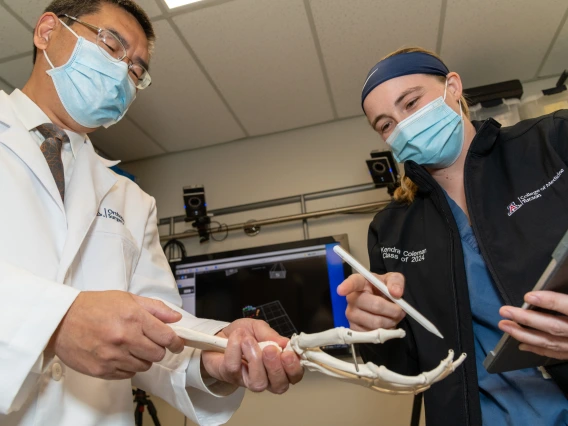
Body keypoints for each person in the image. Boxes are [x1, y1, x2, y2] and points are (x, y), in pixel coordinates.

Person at [0, 1, 303, 425]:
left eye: (136, 71)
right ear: (47, 31)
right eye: (111, 44)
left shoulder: (129, 198)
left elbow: (158, 325)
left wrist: (215, 350)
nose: (122, 74)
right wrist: (52, 321)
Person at [337, 46, 568, 425]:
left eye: (411, 103)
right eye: (386, 124)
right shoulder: (392, 229)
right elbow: (408, 367)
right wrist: (374, 327)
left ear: (453, 87)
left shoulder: (552, 144)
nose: (403, 125)